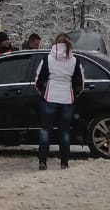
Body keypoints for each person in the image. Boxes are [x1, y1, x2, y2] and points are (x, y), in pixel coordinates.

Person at [33, 33, 85, 170]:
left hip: (50, 98)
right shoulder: (74, 61)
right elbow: (80, 84)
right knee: (65, 132)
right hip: (67, 100)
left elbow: (38, 81)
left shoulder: (48, 59)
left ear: (56, 43)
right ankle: (64, 162)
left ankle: (43, 161)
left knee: (46, 131)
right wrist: (73, 95)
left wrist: (44, 94)